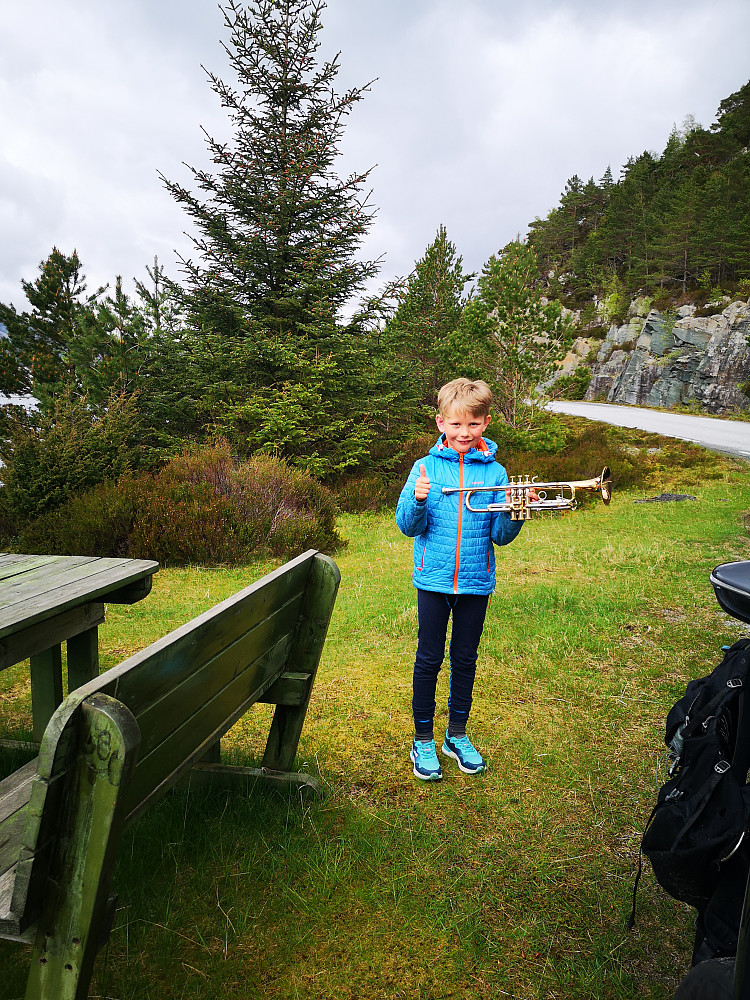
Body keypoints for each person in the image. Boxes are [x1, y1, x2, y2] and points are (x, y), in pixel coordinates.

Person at [396, 377, 528, 781]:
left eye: (472, 425)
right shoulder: (424, 468)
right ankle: (423, 739)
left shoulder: (497, 472)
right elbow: (406, 526)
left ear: (485, 423)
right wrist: (418, 500)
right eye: (455, 425)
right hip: (433, 581)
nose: (463, 434)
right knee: (429, 659)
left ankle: (456, 735)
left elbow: (500, 538)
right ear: (440, 423)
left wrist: (515, 512)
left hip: (475, 582)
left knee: (465, 659)